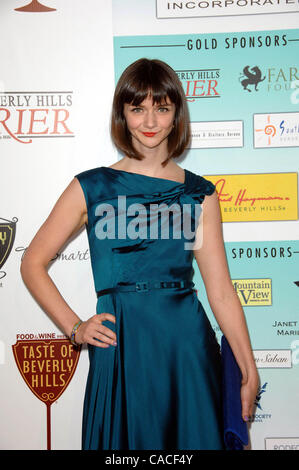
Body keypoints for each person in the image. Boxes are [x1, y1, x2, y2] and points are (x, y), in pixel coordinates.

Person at [20, 58, 259, 450]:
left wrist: (248, 364)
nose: (150, 121)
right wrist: (75, 327)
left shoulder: (199, 194)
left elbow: (220, 292)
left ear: (175, 114)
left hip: (186, 350)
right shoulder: (91, 187)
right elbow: (32, 263)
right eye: (138, 108)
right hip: (120, 346)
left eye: (162, 108)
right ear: (123, 113)